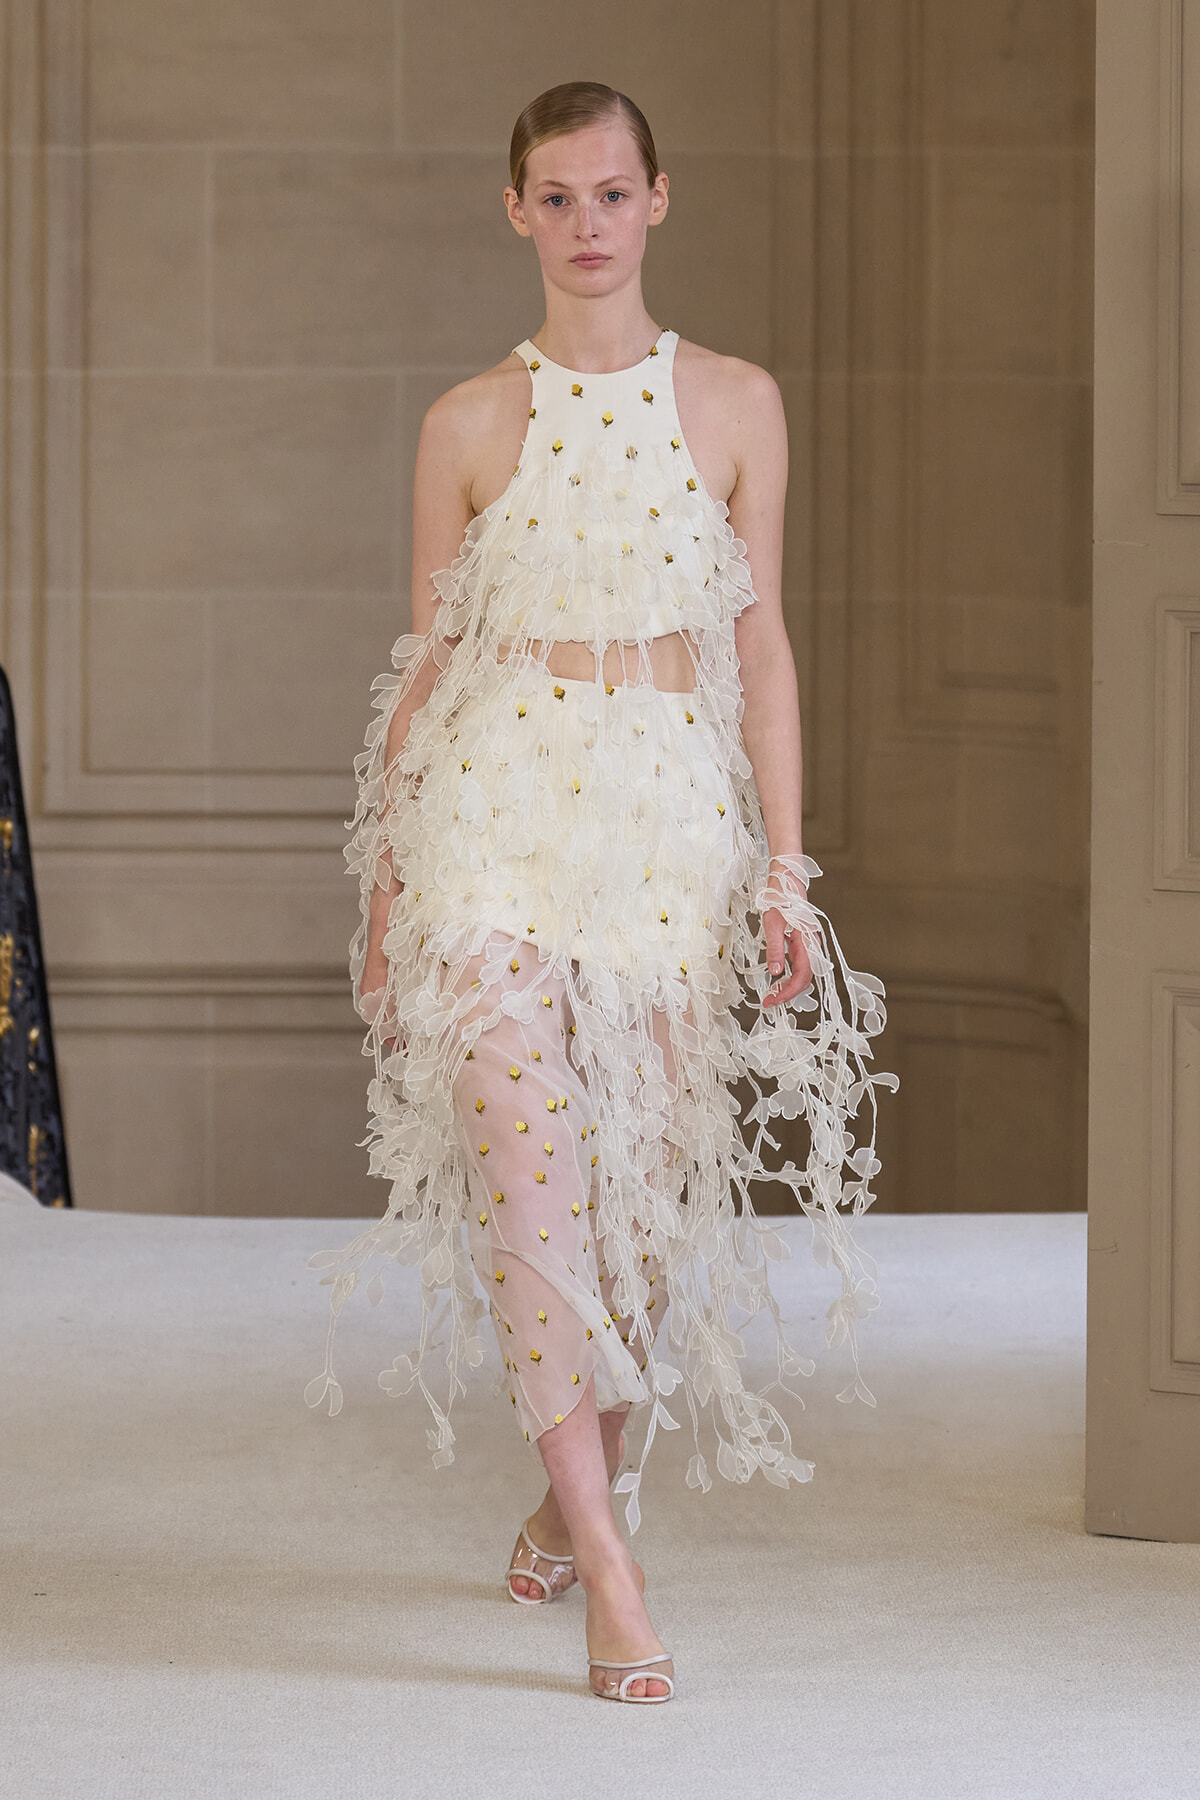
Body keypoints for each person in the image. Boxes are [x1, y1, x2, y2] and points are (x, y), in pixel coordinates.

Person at [306, 81, 894, 1705]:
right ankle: (611, 1563)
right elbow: (430, 666)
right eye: (555, 197)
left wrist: (784, 869)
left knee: (634, 1207)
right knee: (528, 1177)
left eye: (611, 194)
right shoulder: (465, 426)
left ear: (657, 201)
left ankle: (572, 1492)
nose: (586, 225)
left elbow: (762, 651)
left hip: (664, 825)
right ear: (516, 211)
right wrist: (388, 889)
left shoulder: (738, 403)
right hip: (492, 813)